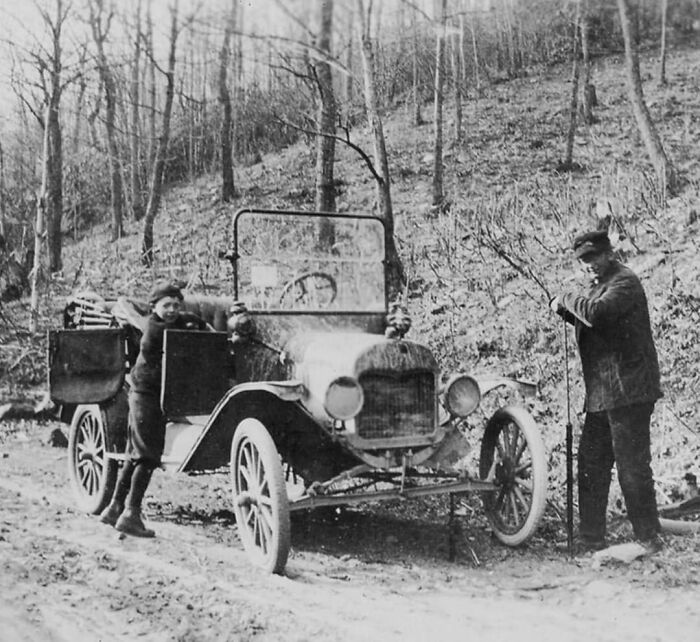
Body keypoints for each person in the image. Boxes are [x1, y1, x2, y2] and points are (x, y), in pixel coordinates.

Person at [549, 230, 663, 553]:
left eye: (593, 258)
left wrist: (565, 298)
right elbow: (593, 321)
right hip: (601, 393)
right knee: (591, 465)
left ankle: (648, 538)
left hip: (629, 392)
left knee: (632, 467)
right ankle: (591, 538)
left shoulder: (624, 282)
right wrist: (567, 311)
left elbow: (598, 315)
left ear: (609, 254)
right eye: (583, 261)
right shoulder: (597, 288)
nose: (589, 266)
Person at [100, 281, 210, 537]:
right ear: (154, 307)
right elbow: (178, 339)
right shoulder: (155, 328)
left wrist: (199, 323)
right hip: (146, 397)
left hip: (155, 396)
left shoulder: (175, 321)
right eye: (166, 305)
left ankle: (115, 508)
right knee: (148, 455)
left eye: (176, 305)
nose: (172, 310)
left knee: (134, 454)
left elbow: (191, 321)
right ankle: (131, 514)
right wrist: (196, 328)